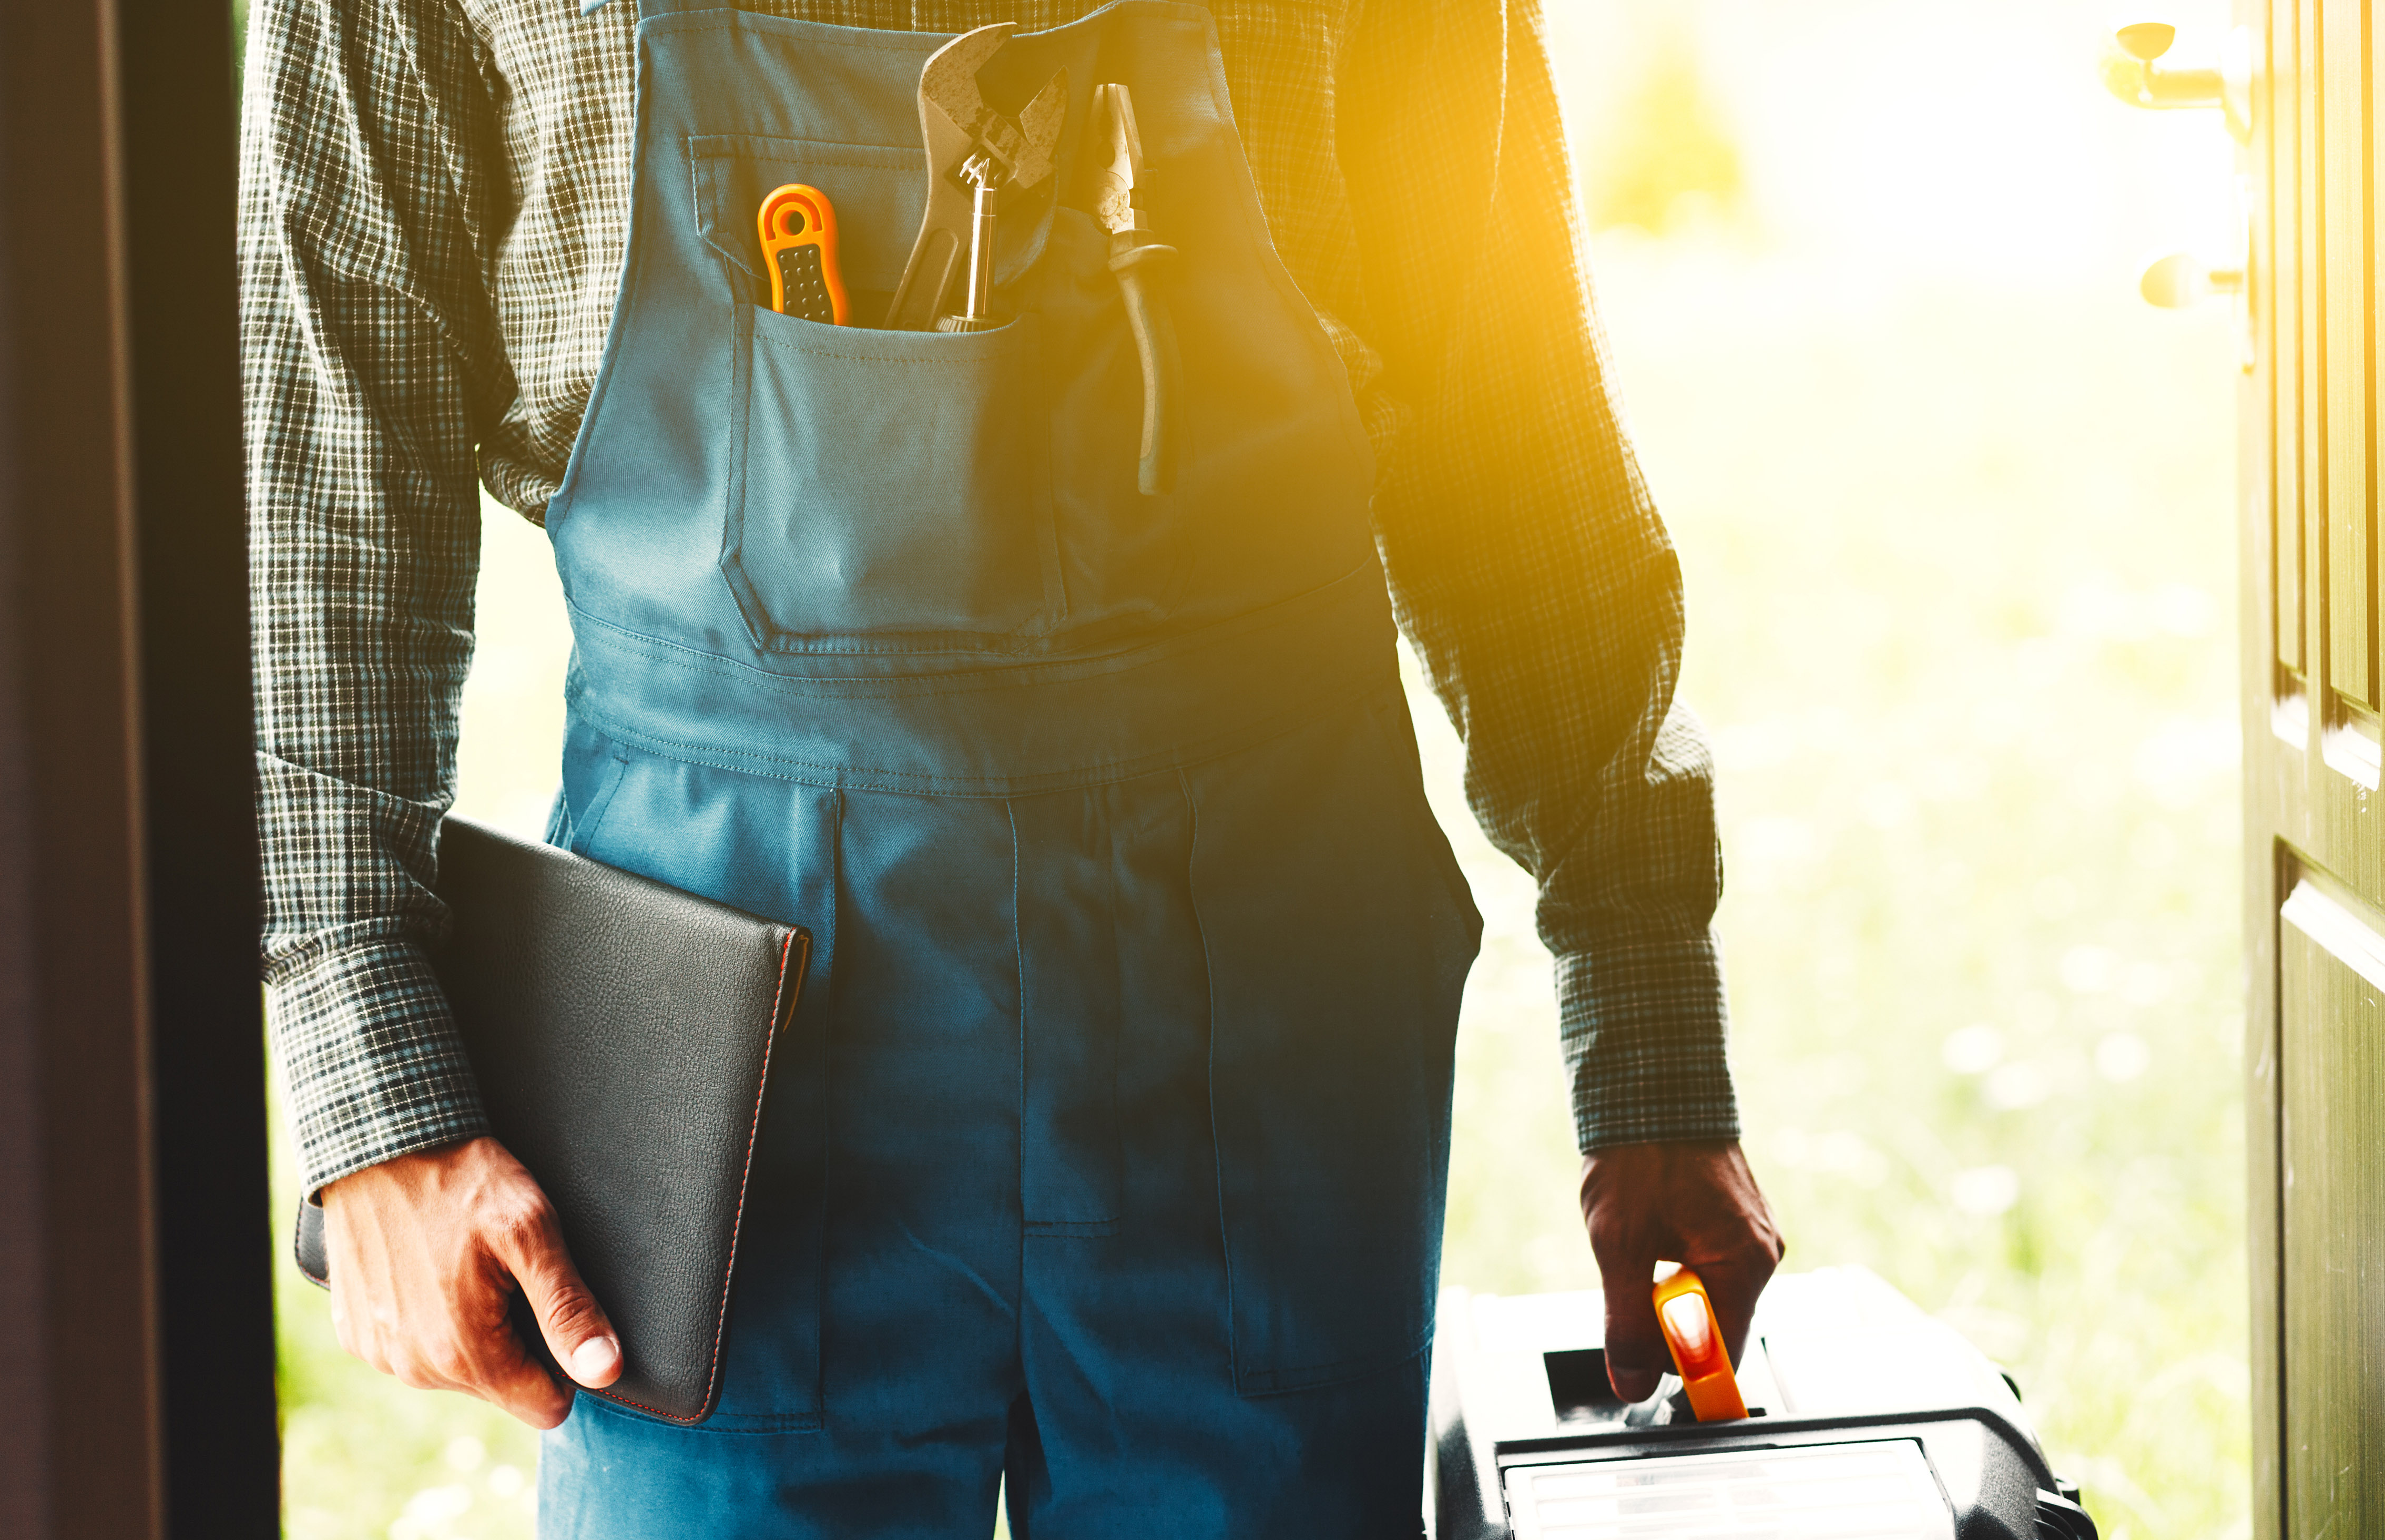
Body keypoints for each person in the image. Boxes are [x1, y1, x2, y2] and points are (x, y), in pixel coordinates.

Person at [243, 0, 1784, 1532]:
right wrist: (366, 1068)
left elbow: (1510, 433)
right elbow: (324, 446)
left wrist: (1651, 1017)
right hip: (719, 1085)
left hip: (1263, 1032)